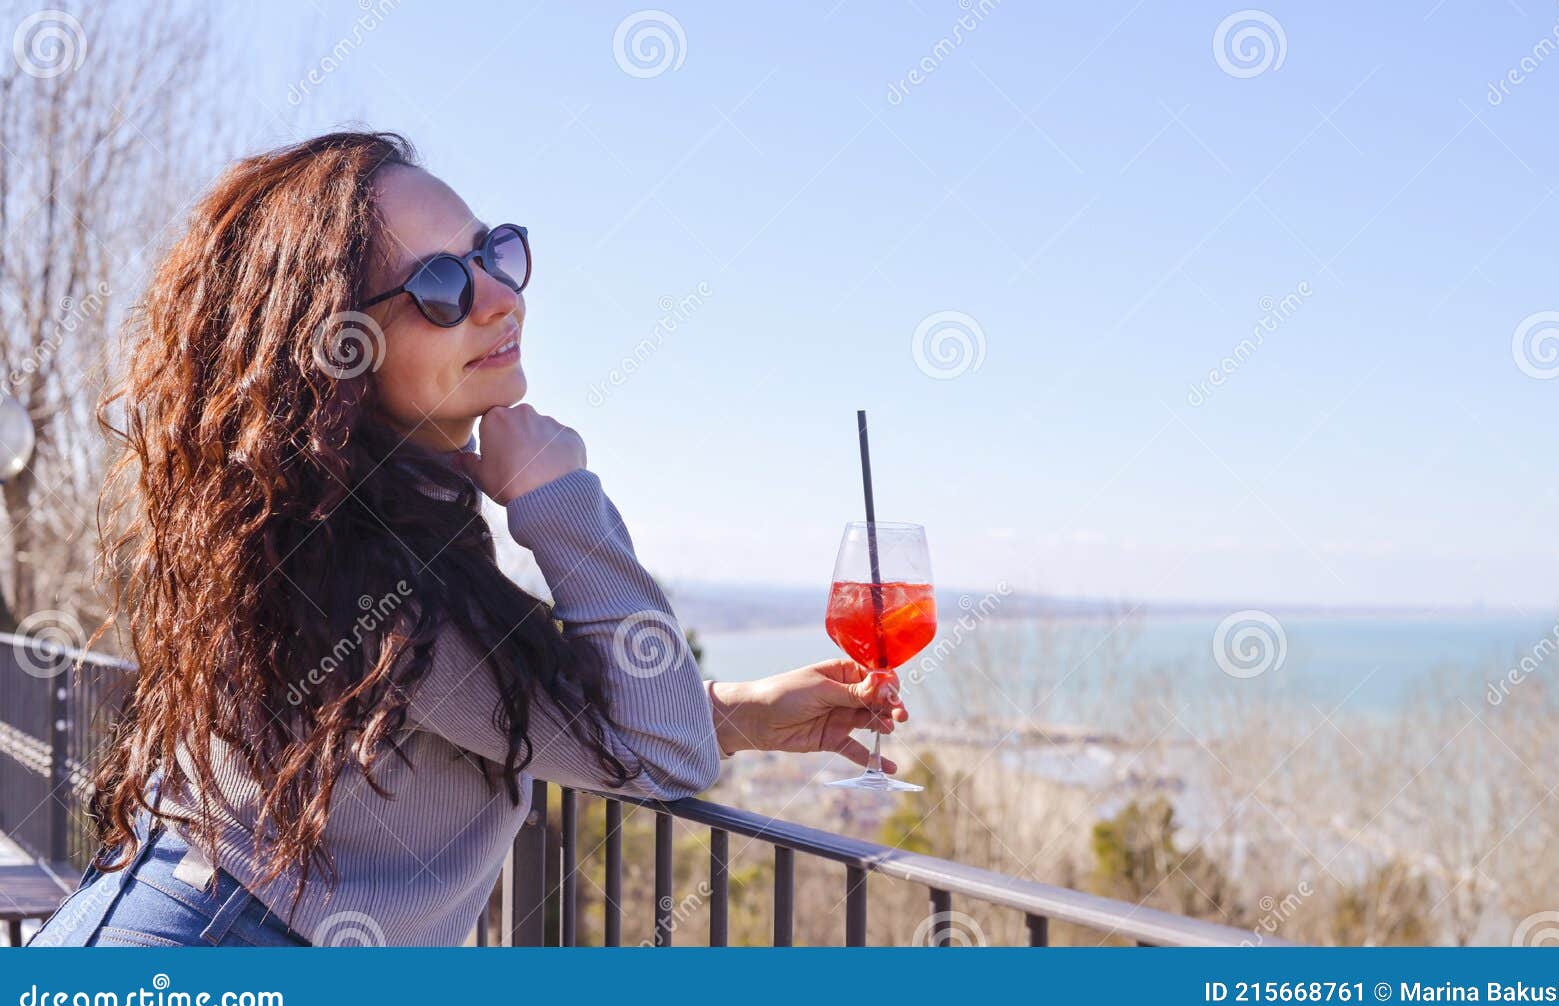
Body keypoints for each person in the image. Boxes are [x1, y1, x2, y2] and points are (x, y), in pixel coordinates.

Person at [28, 130, 908, 948]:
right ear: (334, 349)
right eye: (440, 288)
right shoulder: (359, 568)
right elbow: (659, 748)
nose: (499, 296)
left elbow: (519, 711)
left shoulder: (364, 523)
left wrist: (739, 715)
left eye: (493, 252)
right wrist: (559, 498)